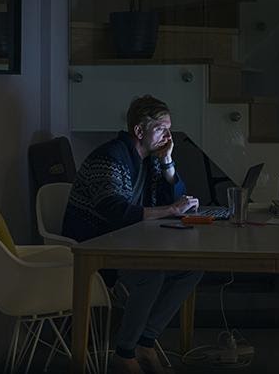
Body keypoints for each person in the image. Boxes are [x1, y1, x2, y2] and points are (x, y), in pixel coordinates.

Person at [62, 95, 203, 374]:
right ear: (139, 131)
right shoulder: (110, 156)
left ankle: (145, 342)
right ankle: (124, 353)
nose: (168, 136)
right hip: (95, 248)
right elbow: (116, 212)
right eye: (162, 129)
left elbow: (172, 196)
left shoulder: (150, 159)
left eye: (169, 129)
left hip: (130, 244)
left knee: (192, 267)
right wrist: (172, 209)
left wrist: (168, 163)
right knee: (150, 276)